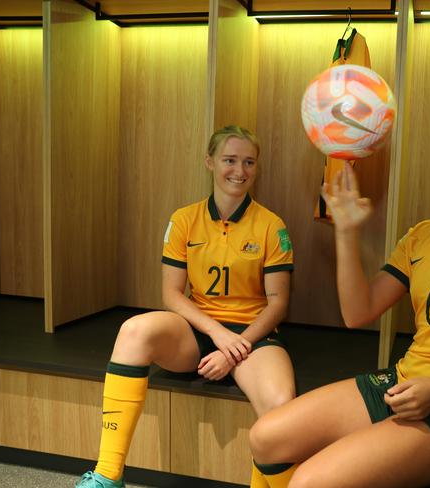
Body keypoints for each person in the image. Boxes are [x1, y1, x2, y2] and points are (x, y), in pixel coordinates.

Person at [249, 102, 430, 487]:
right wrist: (346, 232)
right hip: (404, 382)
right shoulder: (422, 235)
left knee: (311, 482)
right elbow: (357, 312)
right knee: (265, 437)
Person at [76, 126, 296, 488]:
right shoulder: (184, 220)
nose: (239, 170)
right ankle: (107, 475)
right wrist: (217, 334)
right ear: (210, 162)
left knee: (280, 402)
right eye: (229, 160)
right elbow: (172, 294)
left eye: (249, 162)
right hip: (198, 330)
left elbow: (278, 303)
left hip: (252, 336)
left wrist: (235, 346)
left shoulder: (272, 226)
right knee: (134, 330)